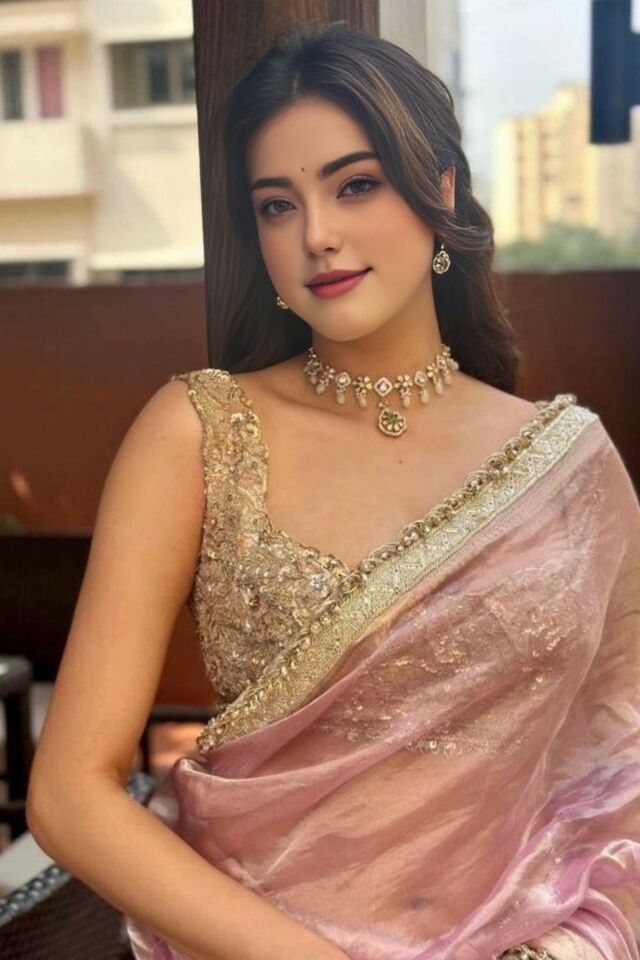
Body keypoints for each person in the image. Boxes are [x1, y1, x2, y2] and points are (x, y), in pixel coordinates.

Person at [26, 20, 639, 960]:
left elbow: (621, 769)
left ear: (440, 190)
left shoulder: (568, 467)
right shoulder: (198, 433)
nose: (317, 235)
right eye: (278, 206)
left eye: (356, 185)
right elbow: (70, 793)